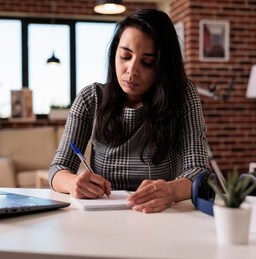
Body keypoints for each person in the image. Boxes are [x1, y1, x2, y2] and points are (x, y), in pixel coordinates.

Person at [48, 9, 211, 213]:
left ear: (163, 66)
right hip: (103, 216)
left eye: (147, 62)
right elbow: (57, 169)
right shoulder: (91, 98)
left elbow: (199, 170)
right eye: (125, 56)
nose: (131, 70)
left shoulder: (182, 96)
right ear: (114, 53)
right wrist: (73, 183)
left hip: (159, 215)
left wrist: (171, 191)